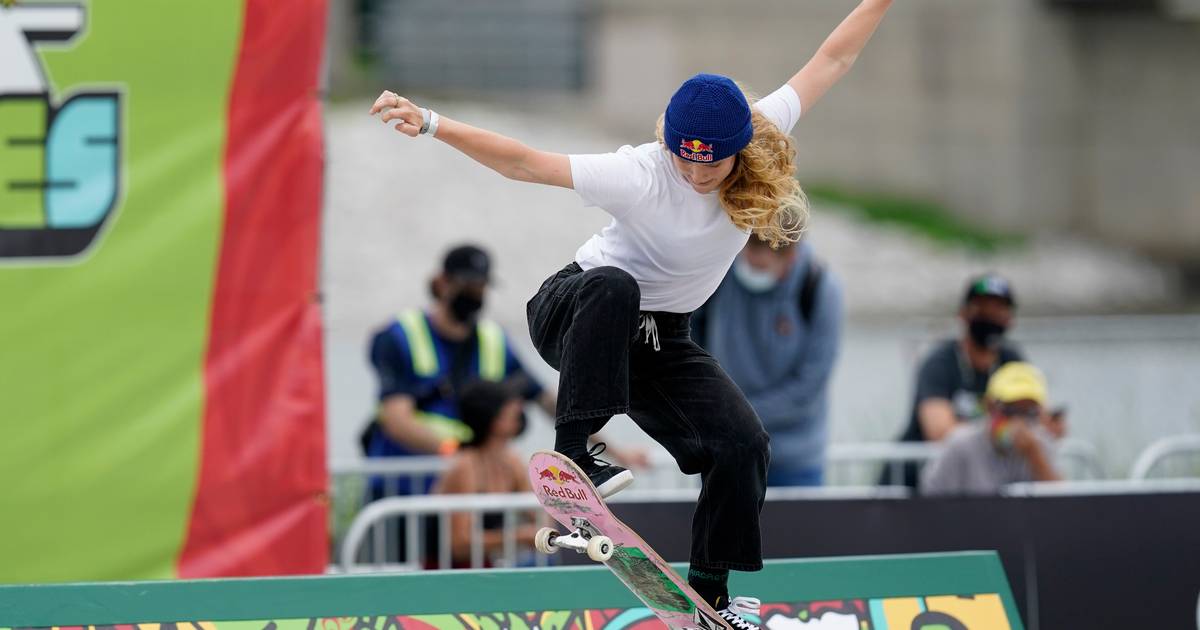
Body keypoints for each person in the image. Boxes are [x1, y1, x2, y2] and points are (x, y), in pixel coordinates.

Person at [368, 2, 892, 624]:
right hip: (575, 310)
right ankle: (572, 458)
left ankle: (710, 598)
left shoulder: (764, 129)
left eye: (711, 162)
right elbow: (524, 162)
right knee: (616, 285)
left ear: (738, 148)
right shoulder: (639, 173)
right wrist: (431, 122)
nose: (696, 173)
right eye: (685, 158)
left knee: (742, 444)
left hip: (660, 339)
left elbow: (833, 57)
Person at [362, 243, 552, 497]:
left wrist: (610, 450)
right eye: (468, 285)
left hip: (466, 493)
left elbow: (547, 400)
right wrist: (458, 452)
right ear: (442, 283)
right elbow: (397, 420)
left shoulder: (493, 340)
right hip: (402, 490)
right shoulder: (399, 336)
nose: (475, 294)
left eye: (481, 286)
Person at [692, 237, 843, 487]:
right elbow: (688, 336)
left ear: (791, 257)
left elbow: (808, 387)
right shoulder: (719, 275)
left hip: (794, 461)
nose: (751, 271)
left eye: (761, 267)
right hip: (724, 453)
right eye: (747, 261)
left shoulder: (821, 289)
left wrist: (732, 416)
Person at [883, 273, 1024, 488]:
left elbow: (1038, 425)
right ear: (963, 314)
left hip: (984, 487)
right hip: (919, 486)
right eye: (983, 308)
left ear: (1010, 319)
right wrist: (1005, 431)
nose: (991, 316)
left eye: (999, 310)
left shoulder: (1013, 363)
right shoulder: (940, 362)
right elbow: (940, 432)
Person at [431, 380, 540, 568]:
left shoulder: (511, 461)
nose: (519, 410)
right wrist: (519, 536)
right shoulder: (465, 466)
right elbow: (460, 544)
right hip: (445, 573)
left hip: (482, 567)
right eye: (511, 408)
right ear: (493, 419)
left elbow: (539, 517)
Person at [920, 362, 1061, 496]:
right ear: (989, 406)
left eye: (1029, 412)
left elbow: (1060, 502)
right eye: (1010, 410)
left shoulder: (1042, 443)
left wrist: (1034, 454)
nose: (1019, 422)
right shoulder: (960, 445)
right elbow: (933, 499)